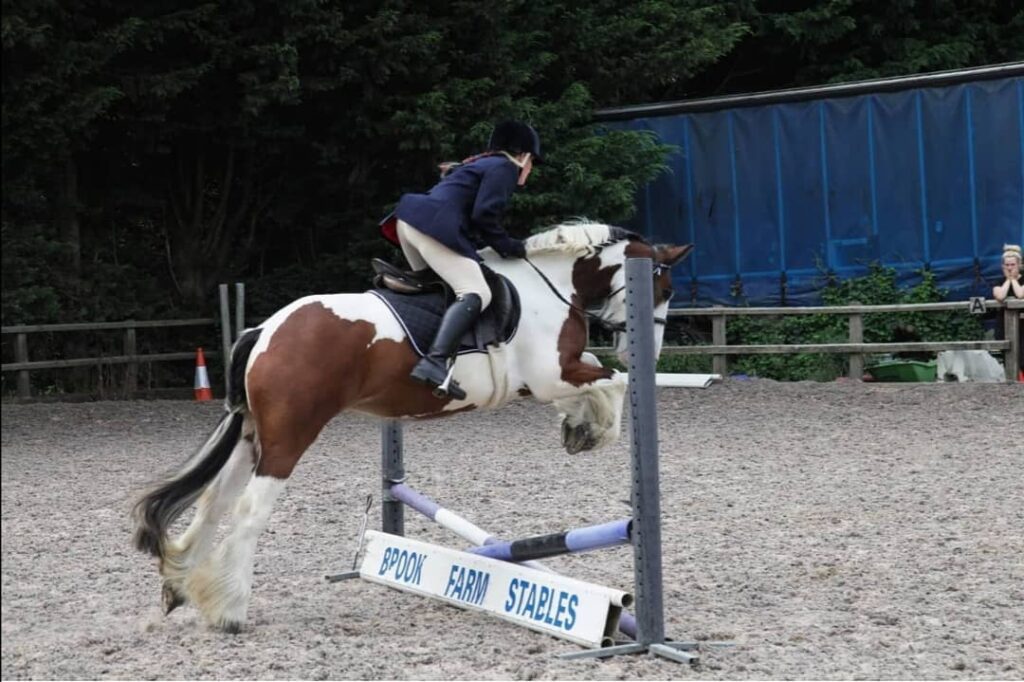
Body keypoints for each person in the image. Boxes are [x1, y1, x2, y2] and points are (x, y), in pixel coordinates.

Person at [384, 121, 541, 396]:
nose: (530, 170)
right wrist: (510, 247)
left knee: (442, 288)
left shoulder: (479, 166)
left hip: (408, 222)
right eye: (532, 163)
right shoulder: (505, 167)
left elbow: (470, 218)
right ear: (524, 155)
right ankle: (434, 362)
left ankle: (424, 352)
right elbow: (485, 215)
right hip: (431, 227)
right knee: (476, 291)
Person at [991, 244, 1023, 378]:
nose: (1010, 268)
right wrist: (1008, 280)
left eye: (1012, 265)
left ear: (1019, 265)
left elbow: (1021, 294)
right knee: (1007, 355)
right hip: (1004, 324)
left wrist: (1014, 280)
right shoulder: (999, 281)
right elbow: (1000, 295)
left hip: (1022, 324)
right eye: (1007, 265)